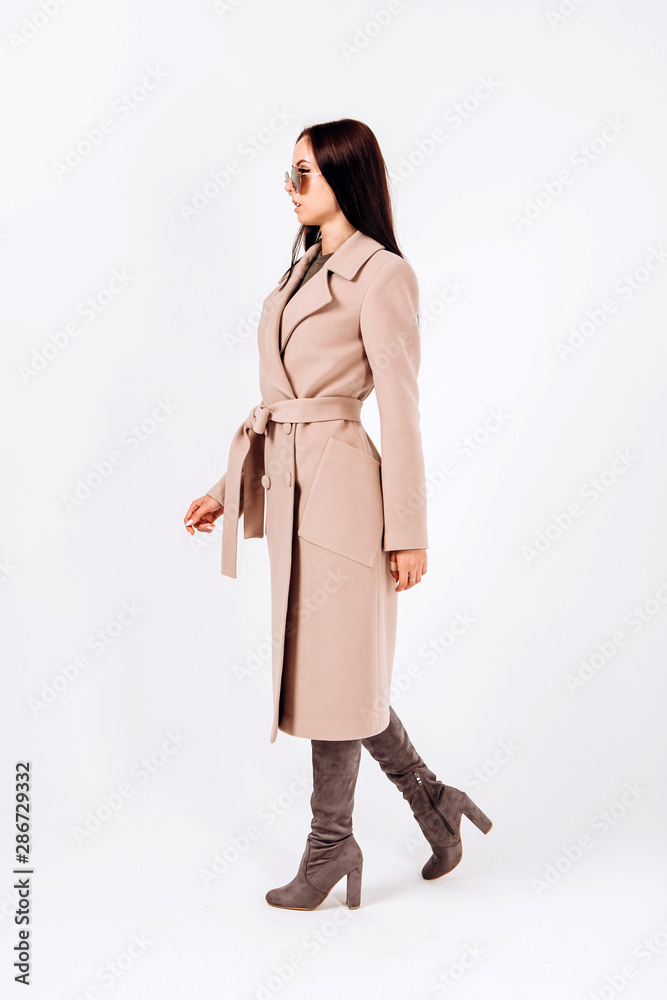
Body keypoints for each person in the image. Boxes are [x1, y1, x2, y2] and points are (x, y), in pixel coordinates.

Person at [184, 118, 492, 910]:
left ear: (344, 178)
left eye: (305, 174)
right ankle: (432, 803)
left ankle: (329, 846)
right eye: (287, 174)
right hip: (292, 489)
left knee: (335, 674)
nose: (291, 189)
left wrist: (408, 532)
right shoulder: (300, 269)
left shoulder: (382, 275)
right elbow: (279, 403)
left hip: (346, 499)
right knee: (335, 673)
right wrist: (225, 488)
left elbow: (401, 410)